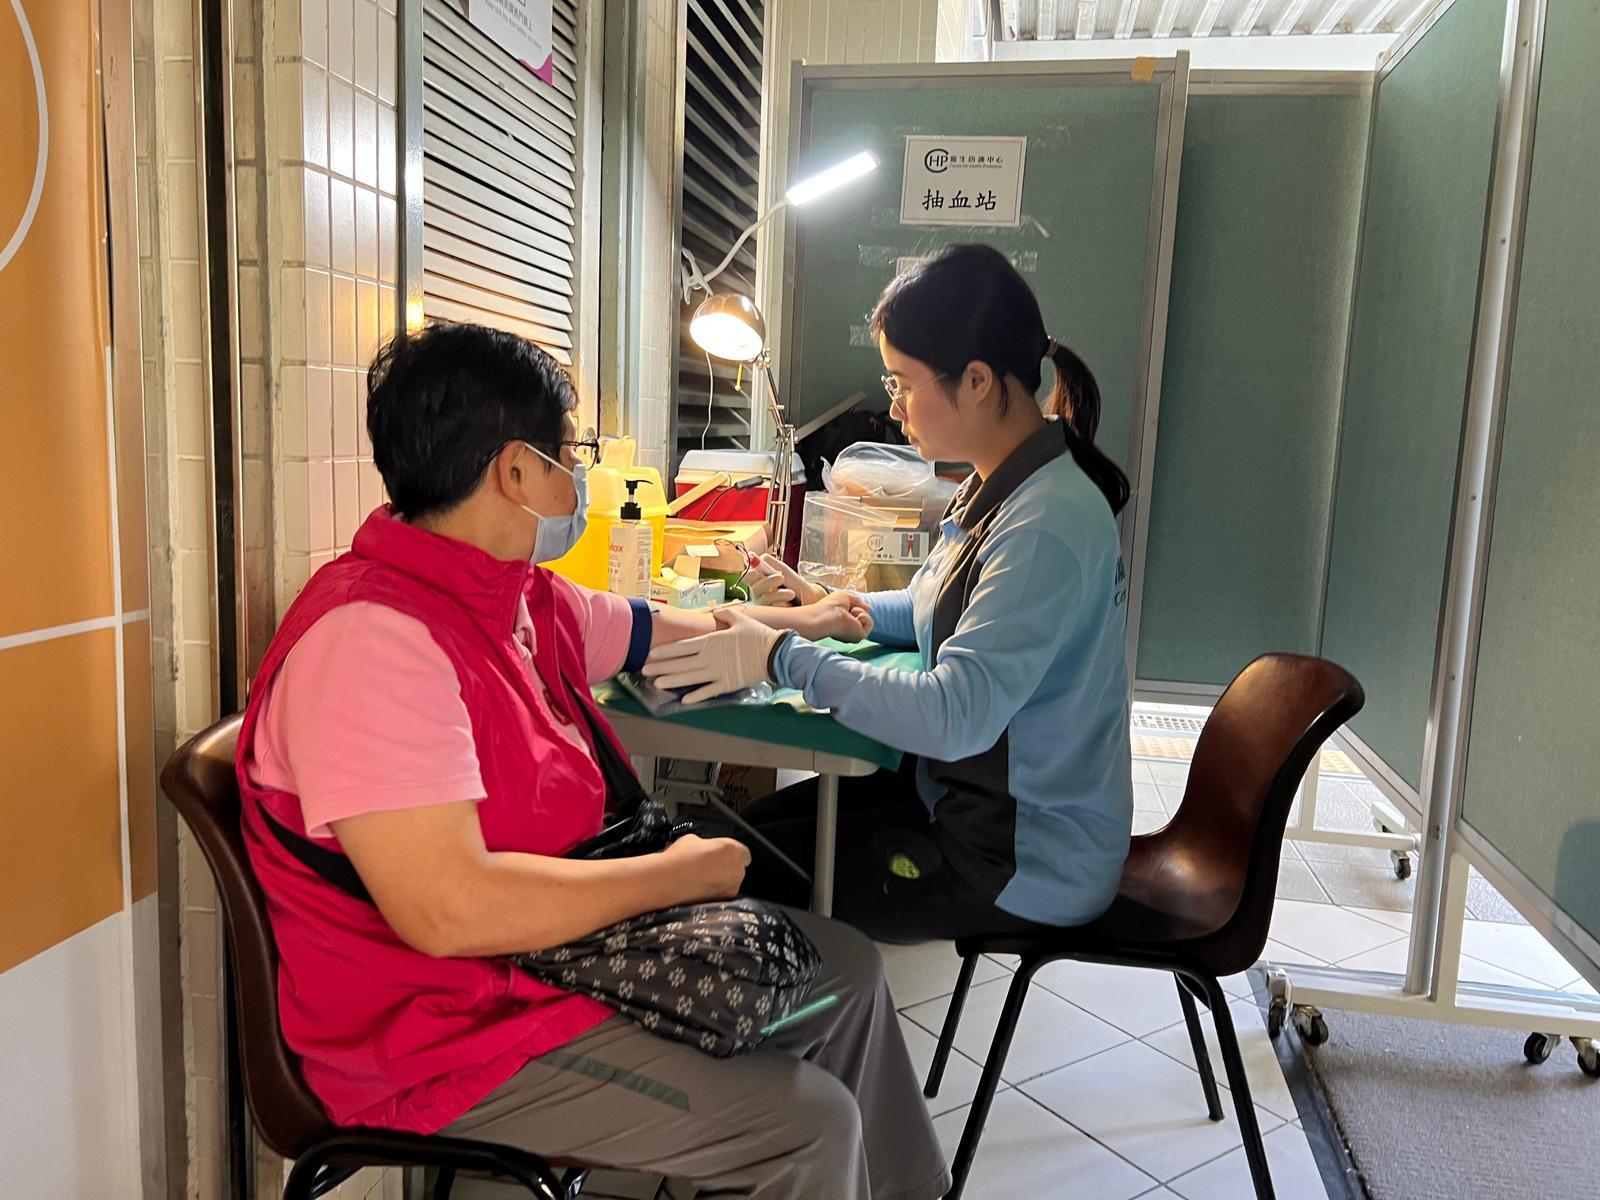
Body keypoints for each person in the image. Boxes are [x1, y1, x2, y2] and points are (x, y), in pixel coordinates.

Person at [235, 322, 948, 1200]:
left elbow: (658, 631)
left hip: (552, 960)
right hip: (438, 1035)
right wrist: (675, 878)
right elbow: (447, 912)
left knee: (844, 975)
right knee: (804, 1127)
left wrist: (806, 624)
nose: (575, 480)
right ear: (516, 472)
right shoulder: (373, 643)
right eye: (567, 457)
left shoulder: (511, 597)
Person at [644, 244, 1135, 944]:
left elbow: (953, 716)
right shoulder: (1007, 481)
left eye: (904, 383)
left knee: (733, 883)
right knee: (731, 839)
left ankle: (813, 1044)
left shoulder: (1046, 522)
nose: (894, 405)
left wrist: (782, 655)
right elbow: (945, 609)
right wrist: (835, 610)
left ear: (976, 381)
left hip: (1020, 861)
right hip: (961, 807)